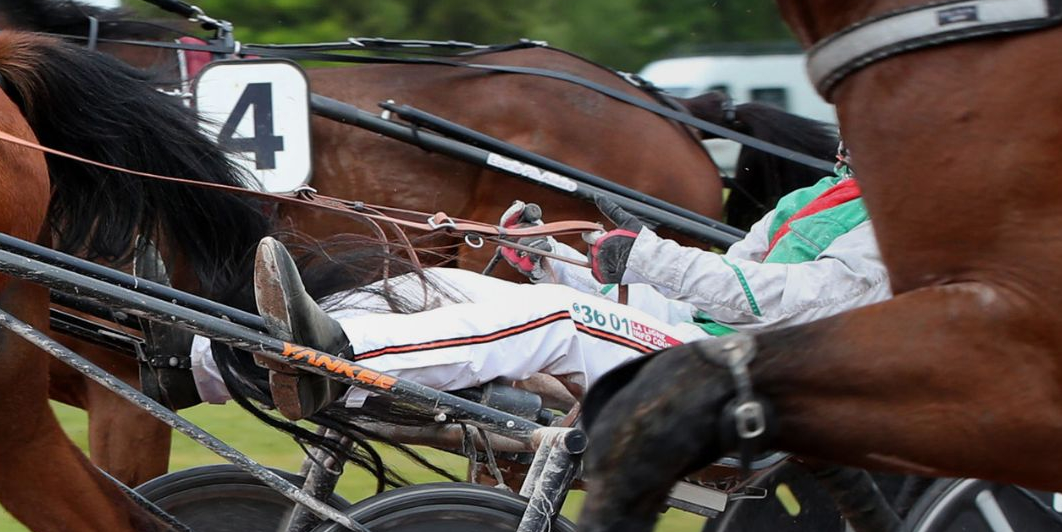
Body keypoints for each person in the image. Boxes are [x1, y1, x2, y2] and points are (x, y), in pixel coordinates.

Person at [208, 163, 884, 418]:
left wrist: (649, 258)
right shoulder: (818, 195)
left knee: (561, 321)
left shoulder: (896, 219)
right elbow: (708, 301)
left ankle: (341, 355)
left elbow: (792, 302)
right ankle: (214, 360)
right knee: (446, 281)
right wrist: (553, 260)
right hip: (694, 343)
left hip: (743, 385)